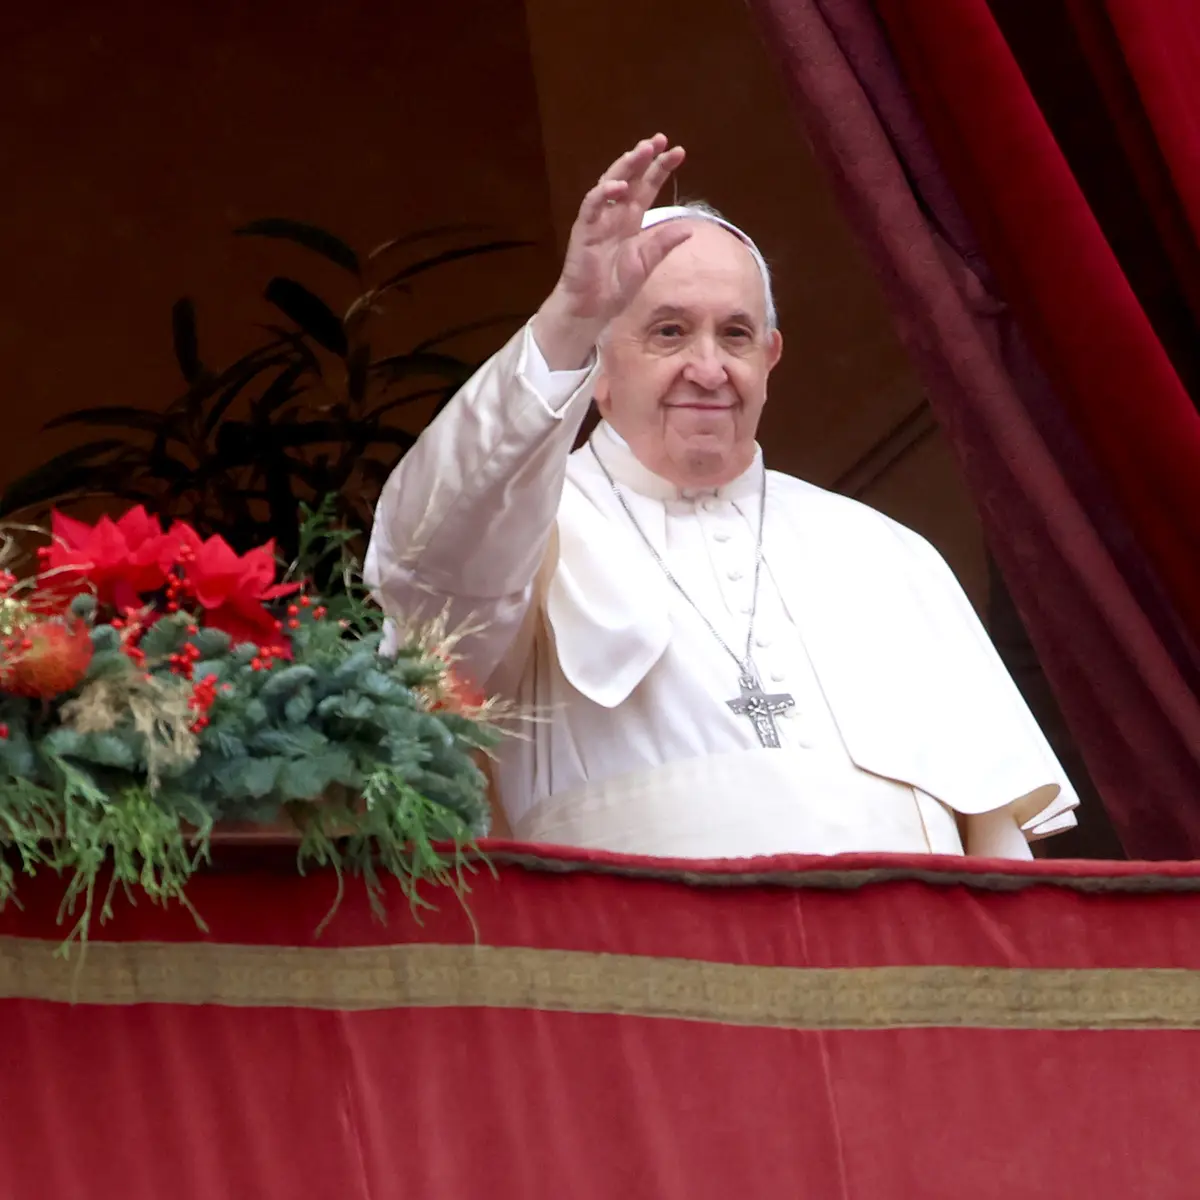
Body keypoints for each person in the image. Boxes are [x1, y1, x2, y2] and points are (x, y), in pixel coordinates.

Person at [365, 134, 1079, 859]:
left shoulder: (888, 552)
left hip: (909, 960)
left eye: (734, 335)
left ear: (769, 360)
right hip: (645, 958)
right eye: (669, 333)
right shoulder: (524, 530)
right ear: (599, 362)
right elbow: (426, 565)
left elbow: (995, 847)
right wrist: (571, 313)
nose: (708, 369)